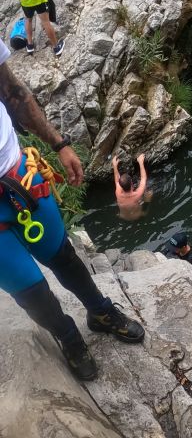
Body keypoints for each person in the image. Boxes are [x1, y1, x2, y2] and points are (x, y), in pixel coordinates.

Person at [0, 40, 143, 381]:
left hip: (19, 175)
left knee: (62, 254)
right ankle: (68, 338)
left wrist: (59, 144)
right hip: (19, 182)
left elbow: (12, 92)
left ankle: (100, 312)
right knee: (29, 289)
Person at [112, 153, 152, 221]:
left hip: (123, 217)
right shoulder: (138, 194)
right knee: (149, 194)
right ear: (132, 184)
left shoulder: (118, 193)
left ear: (121, 186)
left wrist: (115, 166)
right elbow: (143, 178)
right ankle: (147, 202)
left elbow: (116, 181)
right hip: (137, 216)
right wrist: (140, 162)